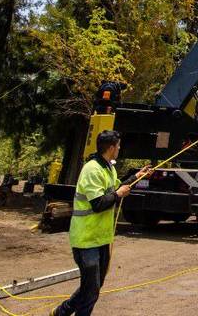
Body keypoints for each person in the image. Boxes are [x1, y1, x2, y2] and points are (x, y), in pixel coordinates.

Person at [51, 130, 151, 316]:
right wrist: (119, 194)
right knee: (91, 289)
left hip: (102, 238)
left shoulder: (108, 168)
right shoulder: (92, 169)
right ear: (112, 148)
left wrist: (138, 176)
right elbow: (98, 203)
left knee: (94, 287)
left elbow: (117, 188)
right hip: (86, 239)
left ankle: (61, 312)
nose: (120, 148)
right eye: (118, 146)